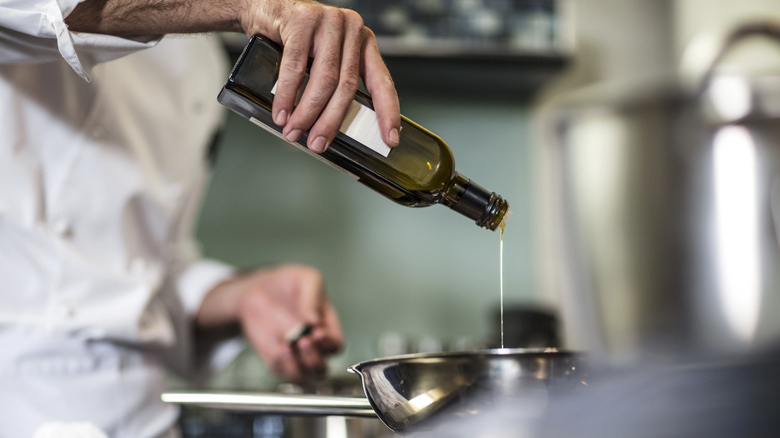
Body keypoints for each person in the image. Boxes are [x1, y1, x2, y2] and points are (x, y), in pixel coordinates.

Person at [0, 0, 401, 436]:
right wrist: (244, 6)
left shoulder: (200, 60)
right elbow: (45, 12)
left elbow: (149, 264)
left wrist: (243, 295)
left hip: (145, 419)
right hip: (20, 406)